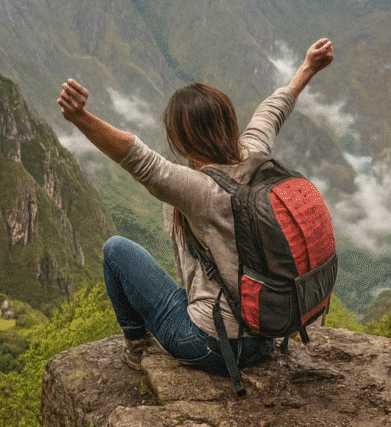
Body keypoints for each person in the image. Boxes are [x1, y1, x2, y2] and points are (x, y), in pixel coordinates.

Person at [58, 38, 334, 377]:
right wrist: (308, 67)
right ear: (228, 122)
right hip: (265, 335)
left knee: (116, 250)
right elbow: (272, 111)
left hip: (211, 345)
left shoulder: (201, 190)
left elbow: (139, 159)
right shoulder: (252, 154)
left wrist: (82, 118)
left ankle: (136, 348)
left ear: (182, 140)